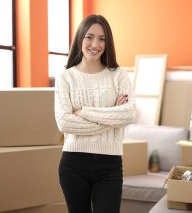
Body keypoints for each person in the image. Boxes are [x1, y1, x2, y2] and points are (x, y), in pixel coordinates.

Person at [54, 14, 136, 213]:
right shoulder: (66, 77)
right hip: (73, 163)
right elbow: (64, 123)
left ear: (107, 43)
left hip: (110, 165)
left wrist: (83, 112)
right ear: (80, 38)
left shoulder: (118, 75)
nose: (95, 44)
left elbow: (128, 114)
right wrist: (111, 116)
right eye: (89, 37)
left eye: (102, 39)